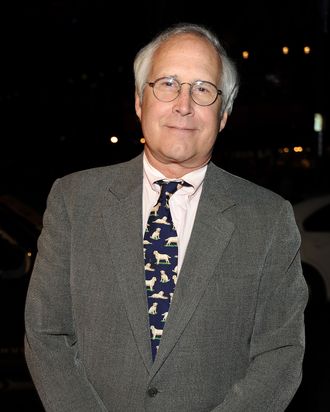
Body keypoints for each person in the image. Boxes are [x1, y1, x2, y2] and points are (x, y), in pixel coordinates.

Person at [24, 22, 308, 411]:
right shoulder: (74, 201)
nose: (184, 104)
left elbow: (281, 354)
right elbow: (46, 333)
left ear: (223, 115)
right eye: (168, 83)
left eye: (203, 89)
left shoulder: (269, 219)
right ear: (140, 102)